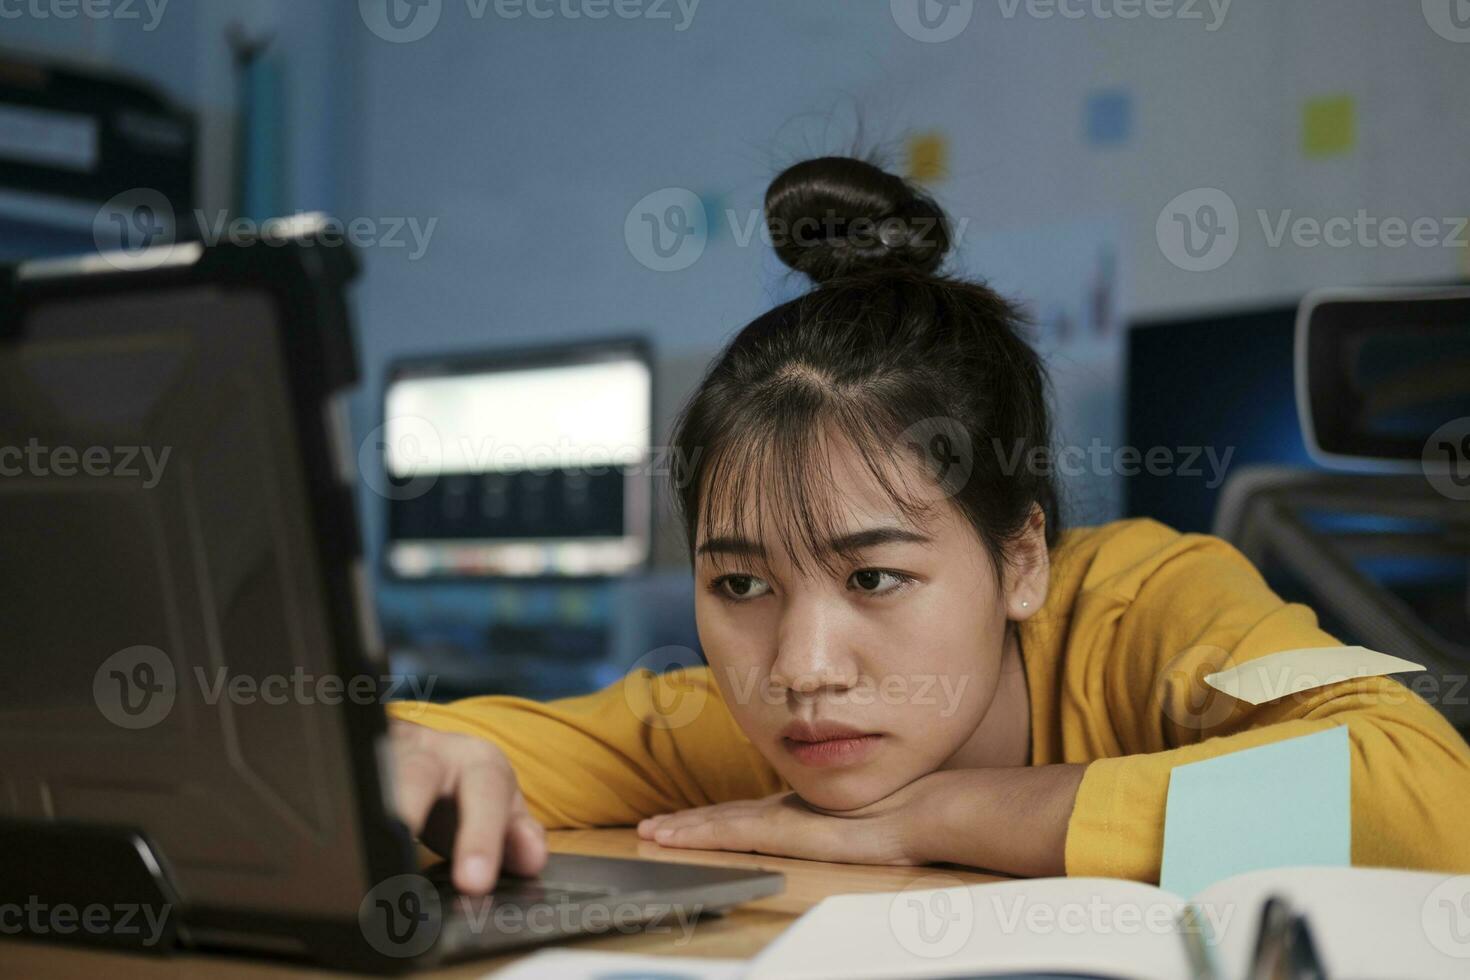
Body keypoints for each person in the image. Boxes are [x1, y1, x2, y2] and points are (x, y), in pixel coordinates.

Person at [386, 156, 1470, 897]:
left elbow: (1425, 795)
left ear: (1022, 558)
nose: (802, 669)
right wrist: (387, 756)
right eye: (742, 585)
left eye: (874, 578)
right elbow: (402, 751)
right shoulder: (738, 719)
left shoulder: (1152, 604)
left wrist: (945, 814)